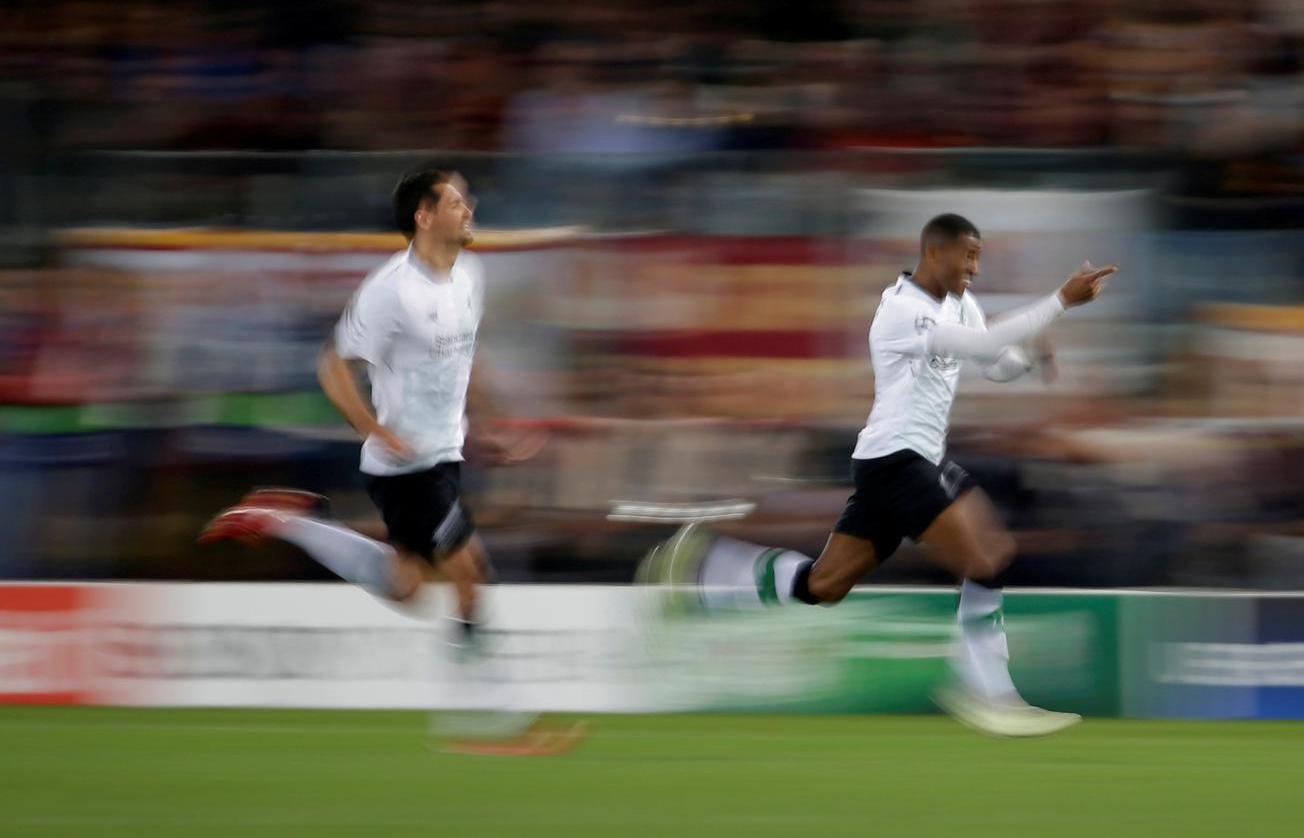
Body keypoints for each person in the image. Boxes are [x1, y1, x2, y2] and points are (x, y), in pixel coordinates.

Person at [643, 213, 1116, 736]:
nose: (976, 268)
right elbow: (981, 348)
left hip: (905, 461)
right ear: (935, 253)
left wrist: (1028, 358)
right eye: (969, 256)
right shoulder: (901, 310)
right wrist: (1060, 302)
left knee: (824, 585)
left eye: (978, 257)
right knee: (988, 558)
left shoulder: (961, 304)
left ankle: (706, 568)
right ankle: (987, 692)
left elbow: (993, 362)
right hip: (898, 461)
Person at [200, 168, 564, 750]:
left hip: (444, 457)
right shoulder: (390, 288)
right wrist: (376, 430)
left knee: (407, 586)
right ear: (424, 215)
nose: (470, 207)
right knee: (472, 575)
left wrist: (493, 423)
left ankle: (285, 520)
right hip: (406, 470)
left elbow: (467, 354)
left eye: (468, 198)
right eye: (456, 200)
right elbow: (332, 365)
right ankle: (490, 719)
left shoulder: (470, 274)